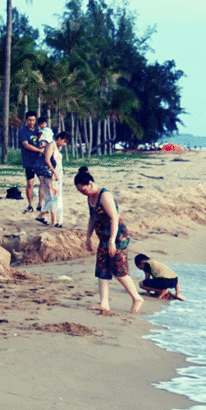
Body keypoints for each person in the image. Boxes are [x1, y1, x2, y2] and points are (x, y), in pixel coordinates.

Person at [75, 166, 144, 315]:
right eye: (80, 191)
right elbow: (92, 218)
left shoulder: (104, 195)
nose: (82, 193)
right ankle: (104, 304)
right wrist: (88, 237)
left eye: (83, 190)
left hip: (117, 237)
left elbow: (114, 218)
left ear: (91, 184)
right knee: (102, 269)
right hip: (103, 237)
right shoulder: (90, 197)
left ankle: (137, 298)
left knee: (118, 269)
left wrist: (112, 241)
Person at [40, 130, 68, 227]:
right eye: (64, 141)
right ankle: (54, 221)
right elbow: (47, 160)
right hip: (51, 175)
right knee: (53, 196)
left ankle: (41, 216)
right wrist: (54, 172)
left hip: (56, 176)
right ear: (60, 138)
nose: (64, 144)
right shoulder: (51, 145)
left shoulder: (56, 147)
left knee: (55, 196)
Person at [17, 112, 43, 213]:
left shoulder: (38, 130)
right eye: (29, 120)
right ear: (26, 120)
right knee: (30, 184)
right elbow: (26, 145)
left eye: (33, 120)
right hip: (29, 161)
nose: (31, 122)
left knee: (43, 182)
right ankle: (30, 205)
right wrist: (39, 150)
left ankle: (40, 204)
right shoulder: (22, 131)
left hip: (40, 161)